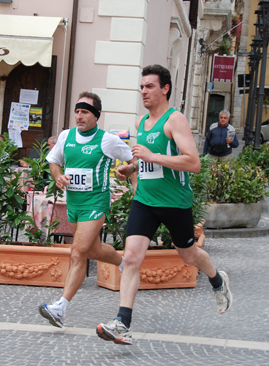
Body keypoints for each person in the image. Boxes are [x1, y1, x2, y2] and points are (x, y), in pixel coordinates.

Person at [96, 65, 232, 345]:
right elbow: (147, 159)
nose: (143, 92)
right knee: (132, 257)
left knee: (188, 255)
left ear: (165, 89)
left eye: (149, 86)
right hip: (145, 200)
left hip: (174, 202)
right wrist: (132, 167)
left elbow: (192, 162)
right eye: (142, 87)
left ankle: (218, 280)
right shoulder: (140, 123)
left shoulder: (175, 120)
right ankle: (122, 322)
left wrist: (151, 156)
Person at [38, 91, 134, 328]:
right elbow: (53, 160)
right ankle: (123, 263)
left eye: (85, 112)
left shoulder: (107, 140)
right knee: (93, 250)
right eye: (77, 112)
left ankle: (60, 307)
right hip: (74, 204)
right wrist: (58, 175)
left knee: (78, 252)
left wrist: (130, 174)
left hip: (95, 203)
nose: (79, 116)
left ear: (96, 116)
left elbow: (135, 157)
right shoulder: (66, 136)